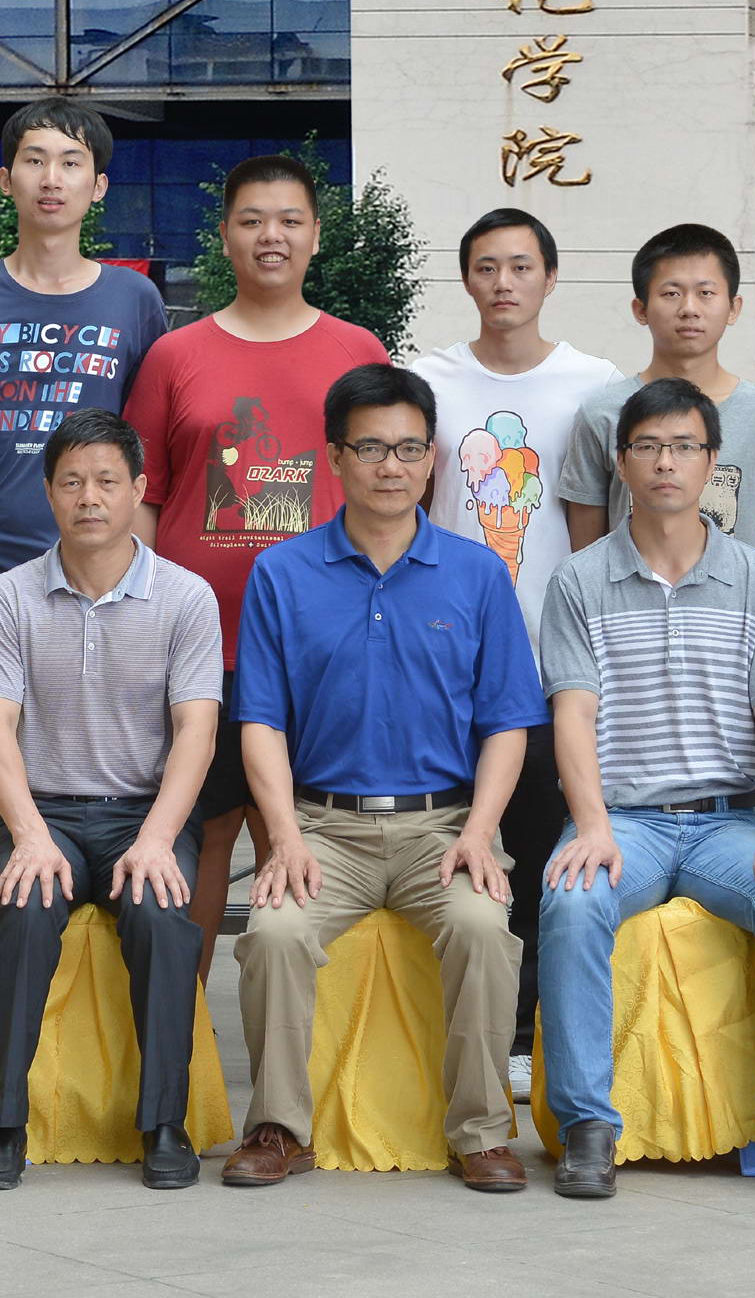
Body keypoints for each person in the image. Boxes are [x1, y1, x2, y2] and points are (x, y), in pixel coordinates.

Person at [224, 364, 544, 1193]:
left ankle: (481, 1134)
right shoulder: (283, 573)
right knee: (274, 935)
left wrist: (480, 833)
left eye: (408, 449)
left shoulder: (477, 574)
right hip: (323, 829)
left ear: (432, 459)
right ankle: (277, 1127)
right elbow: (261, 723)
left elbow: (507, 723)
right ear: (336, 457)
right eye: (370, 448)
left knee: (482, 927)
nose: (391, 466)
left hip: (444, 828)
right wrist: (284, 838)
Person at [535, 379, 755, 1202]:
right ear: (621, 461)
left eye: (683, 447)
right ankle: (588, 1127)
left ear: (712, 463)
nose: (665, 463)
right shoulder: (580, 581)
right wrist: (590, 826)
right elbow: (573, 715)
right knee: (571, 905)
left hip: (729, 823)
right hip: (624, 822)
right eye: (648, 447)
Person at [124, 154, 389, 979]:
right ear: (225, 234)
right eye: (251, 220)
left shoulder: (357, 351)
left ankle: (288, 1050)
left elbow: (386, 495)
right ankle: (183, 1042)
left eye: (289, 220)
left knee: (295, 839)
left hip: (320, 650)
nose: (271, 236)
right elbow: (144, 497)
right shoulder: (175, 355)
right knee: (198, 840)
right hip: (197, 651)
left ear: (315, 236)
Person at [0, 100, 169, 1010]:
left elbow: (146, 454)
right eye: (34, 160)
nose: (52, 178)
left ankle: (80, 1009)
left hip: (103, 592)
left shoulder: (134, 300)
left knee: (96, 795)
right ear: (6, 180)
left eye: (71, 163)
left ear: (98, 186)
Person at [0, 408, 223, 1193]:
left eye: (107, 481)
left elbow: (197, 730)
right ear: (48, 492)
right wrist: (28, 834)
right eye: (72, 482)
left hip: (143, 814)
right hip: (40, 810)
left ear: (139, 489)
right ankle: (4, 1124)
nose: (90, 498)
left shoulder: (186, 597)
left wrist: (158, 839)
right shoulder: (9, 596)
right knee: (24, 907)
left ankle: (165, 1123)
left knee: (161, 914)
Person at [412, 207, 614, 1101]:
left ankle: (526, 1034)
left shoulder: (595, 384)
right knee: (449, 846)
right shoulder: (428, 381)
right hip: (444, 660)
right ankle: (446, 1030)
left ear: (550, 278)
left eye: (522, 266)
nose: (504, 283)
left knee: (537, 850)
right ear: (467, 279)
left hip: (553, 659)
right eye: (487, 266)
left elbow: (598, 525)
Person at [561, 222, 755, 567]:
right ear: (641, 309)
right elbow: (586, 555)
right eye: (671, 293)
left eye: (706, 292)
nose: (689, 308)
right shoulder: (602, 412)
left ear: (733, 308)